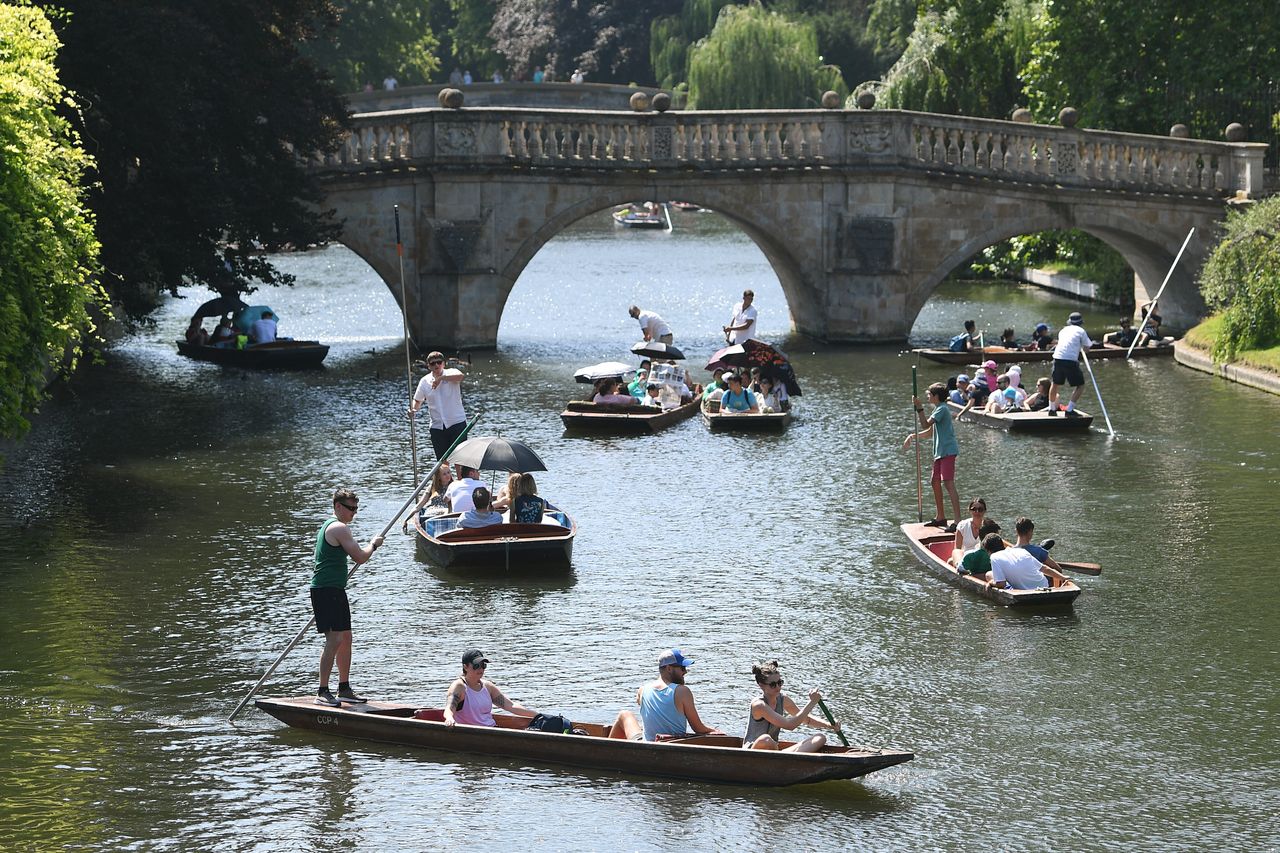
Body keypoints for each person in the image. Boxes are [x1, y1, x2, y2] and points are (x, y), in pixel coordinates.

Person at [311, 488, 384, 706]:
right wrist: (373, 544)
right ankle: (322, 691)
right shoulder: (338, 527)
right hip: (325, 590)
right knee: (333, 639)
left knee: (346, 639)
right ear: (338, 507)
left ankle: (344, 688)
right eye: (350, 508)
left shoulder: (339, 527)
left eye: (356, 508)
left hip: (336, 590)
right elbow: (360, 557)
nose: (354, 512)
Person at [607, 649, 724, 741]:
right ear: (669, 668)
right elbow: (698, 729)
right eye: (682, 668)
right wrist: (714, 731)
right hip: (672, 745)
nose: (685, 672)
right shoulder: (682, 691)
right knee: (625, 714)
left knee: (624, 714)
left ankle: (608, 751)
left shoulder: (642, 690)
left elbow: (643, 705)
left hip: (646, 744)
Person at [742, 661, 841, 752]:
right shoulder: (759, 705)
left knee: (820, 738)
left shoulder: (783, 699)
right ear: (761, 685)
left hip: (775, 752)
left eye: (779, 683)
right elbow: (790, 725)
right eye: (773, 685)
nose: (778, 687)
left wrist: (829, 725)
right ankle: (782, 760)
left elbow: (806, 719)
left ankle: (782, 760)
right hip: (753, 752)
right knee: (766, 739)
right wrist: (812, 703)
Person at [904, 382, 962, 531]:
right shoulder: (938, 409)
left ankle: (957, 521)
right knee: (934, 481)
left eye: (929, 394)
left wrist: (919, 408)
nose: (928, 396)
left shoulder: (942, 409)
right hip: (940, 453)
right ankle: (940, 517)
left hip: (947, 452)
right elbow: (929, 431)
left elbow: (924, 424)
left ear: (936, 396)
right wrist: (913, 436)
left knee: (948, 483)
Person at [444, 650, 539, 728]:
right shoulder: (459, 686)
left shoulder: (488, 686)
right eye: (476, 666)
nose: (481, 669)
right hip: (473, 732)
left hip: (492, 729)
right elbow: (449, 709)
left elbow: (511, 705)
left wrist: (537, 716)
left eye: (483, 665)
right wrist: (449, 719)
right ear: (465, 667)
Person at [409, 351, 468, 459]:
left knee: (460, 460)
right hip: (437, 426)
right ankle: (445, 477)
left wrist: (441, 378)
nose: (436, 365)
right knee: (442, 462)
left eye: (439, 362)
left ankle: (461, 476)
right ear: (429, 366)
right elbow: (417, 400)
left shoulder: (452, 372)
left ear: (443, 364)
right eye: (433, 363)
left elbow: (460, 376)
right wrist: (413, 409)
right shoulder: (424, 381)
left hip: (457, 423)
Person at [990, 522, 1071, 590]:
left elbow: (1001, 583)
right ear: (1030, 532)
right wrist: (1062, 577)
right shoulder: (1037, 551)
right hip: (1042, 585)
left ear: (1017, 531)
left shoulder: (1010, 552)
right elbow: (1057, 569)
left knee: (990, 574)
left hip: (1023, 588)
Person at [1047, 312, 1093, 416]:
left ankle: (1051, 409)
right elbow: (1086, 349)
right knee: (1080, 385)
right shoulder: (1081, 331)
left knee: (1055, 384)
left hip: (1057, 358)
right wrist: (1081, 347)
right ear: (1081, 322)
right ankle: (1069, 410)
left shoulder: (1063, 330)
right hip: (1070, 360)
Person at [949, 497, 988, 564]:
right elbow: (957, 549)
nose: (977, 512)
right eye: (974, 509)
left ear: (984, 511)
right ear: (970, 510)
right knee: (952, 558)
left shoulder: (988, 526)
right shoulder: (962, 526)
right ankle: (961, 568)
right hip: (966, 557)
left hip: (982, 558)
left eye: (980, 509)